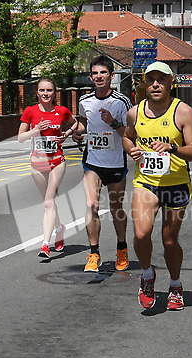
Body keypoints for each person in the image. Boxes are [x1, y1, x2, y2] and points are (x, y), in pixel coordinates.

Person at [122, 61, 192, 310]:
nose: (155, 84)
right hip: (146, 181)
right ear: (144, 84)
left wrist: (172, 147)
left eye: (161, 79)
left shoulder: (183, 112)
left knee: (169, 240)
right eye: (151, 79)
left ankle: (175, 284)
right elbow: (126, 135)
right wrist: (131, 150)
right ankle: (147, 276)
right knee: (141, 234)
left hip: (176, 183)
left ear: (171, 83)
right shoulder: (135, 112)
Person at [72, 55, 132, 272]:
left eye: (103, 73)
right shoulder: (85, 101)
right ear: (91, 76)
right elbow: (83, 123)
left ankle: (122, 248)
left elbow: (130, 134)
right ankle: (94, 253)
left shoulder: (122, 102)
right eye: (95, 73)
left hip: (115, 163)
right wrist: (78, 134)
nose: (99, 77)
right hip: (93, 162)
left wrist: (113, 122)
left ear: (111, 76)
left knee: (116, 208)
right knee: (91, 205)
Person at [18, 78, 78, 258]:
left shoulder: (62, 111)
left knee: (48, 202)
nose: (46, 94)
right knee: (48, 202)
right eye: (42, 90)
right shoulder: (30, 111)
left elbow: (75, 122)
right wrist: (35, 130)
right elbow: (20, 137)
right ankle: (59, 228)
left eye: (49, 90)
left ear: (54, 93)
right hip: (37, 163)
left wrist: (67, 134)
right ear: (37, 93)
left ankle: (45, 244)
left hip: (57, 161)